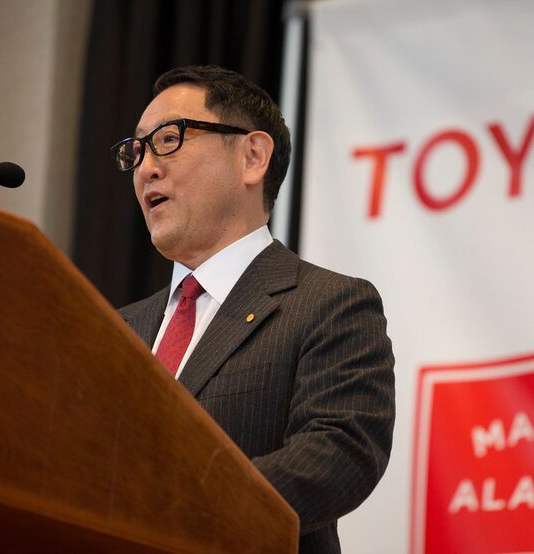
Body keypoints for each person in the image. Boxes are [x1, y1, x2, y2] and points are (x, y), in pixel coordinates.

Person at [113, 65, 395, 553]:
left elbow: (339, 452)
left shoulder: (329, 305)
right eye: (136, 151)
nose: (146, 168)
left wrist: (172, 510)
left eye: (168, 140)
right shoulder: (115, 329)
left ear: (252, 156)